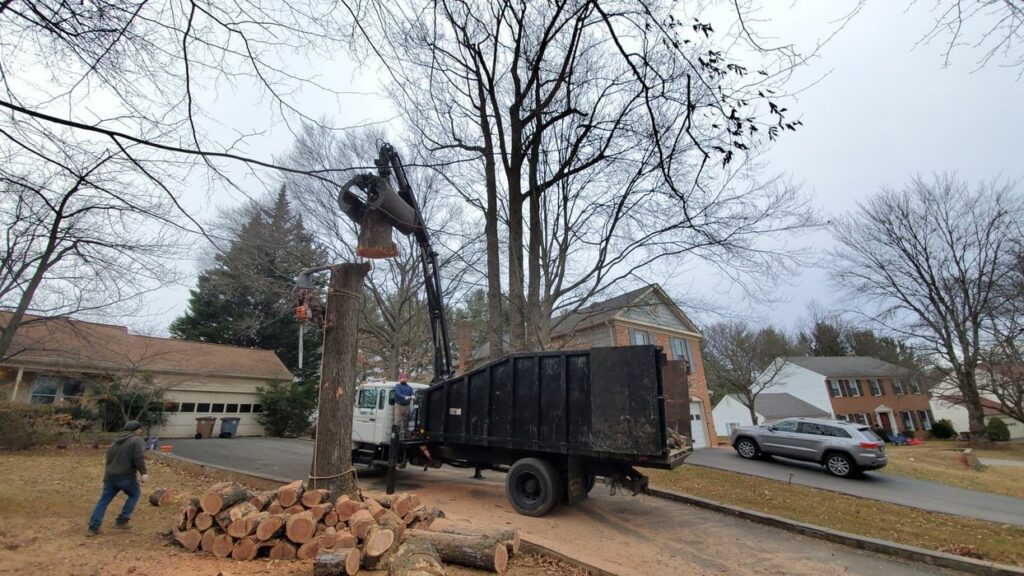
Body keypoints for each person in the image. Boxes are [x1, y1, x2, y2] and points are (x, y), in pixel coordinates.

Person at [88, 420, 148, 534]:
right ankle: (122, 520)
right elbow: (138, 458)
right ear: (136, 430)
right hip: (126, 476)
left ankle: (93, 527)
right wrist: (143, 473)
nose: (141, 431)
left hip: (110, 477)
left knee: (103, 501)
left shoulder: (115, 442)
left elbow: (108, 460)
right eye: (140, 429)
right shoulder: (137, 440)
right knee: (135, 494)